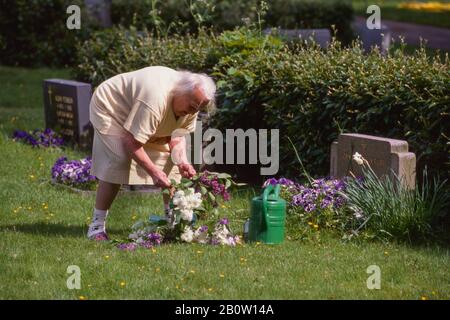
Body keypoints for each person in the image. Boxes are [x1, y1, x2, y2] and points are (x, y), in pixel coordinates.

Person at [87, 66, 216, 240]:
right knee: (119, 159)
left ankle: (173, 224)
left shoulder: (193, 103)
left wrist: (183, 162)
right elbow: (131, 141)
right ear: (180, 92)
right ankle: (96, 226)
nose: (193, 113)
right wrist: (154, 172)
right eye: (192, 107)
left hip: (142, 113)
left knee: (172, 165)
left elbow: (177, 137)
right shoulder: (154, 99)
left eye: (197, 110)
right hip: (112, 108)